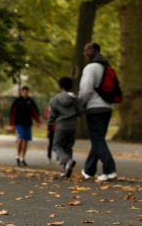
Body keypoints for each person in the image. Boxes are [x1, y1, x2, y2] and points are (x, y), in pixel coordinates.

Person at [79, 42, 117, 182]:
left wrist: (80, 104)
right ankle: (89, 170)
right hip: (108, 107)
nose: (85, 53)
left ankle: (110, 169)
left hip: (94, 108)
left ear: (93, 50)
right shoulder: (107, 67)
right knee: (98, 139)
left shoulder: (90, 68)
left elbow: (86, 89)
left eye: (87, 50)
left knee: (97, 139)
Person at [49, 77, 81, 179]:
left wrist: (49, 126)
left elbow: (52, 115)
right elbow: (80, 112)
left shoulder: (55, 99)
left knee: (56, 146)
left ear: (60, 86)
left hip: (61, 126)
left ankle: (68, 161)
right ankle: (66, 170)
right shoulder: (76, 99)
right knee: (68, 147)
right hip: (72, 126)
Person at [9, 86, 41, 166]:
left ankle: (22, 158)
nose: (25, 93)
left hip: (28, 123)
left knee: (26, 141)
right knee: (20, 139)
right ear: (21, 92)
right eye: (24, 91)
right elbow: (12, 113)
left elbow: (34, 112)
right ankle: (17, 155)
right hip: (19, 123)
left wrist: (37, 121)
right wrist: (12, 124)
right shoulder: (17, 101)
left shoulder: (30, 101)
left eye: (27, 92)